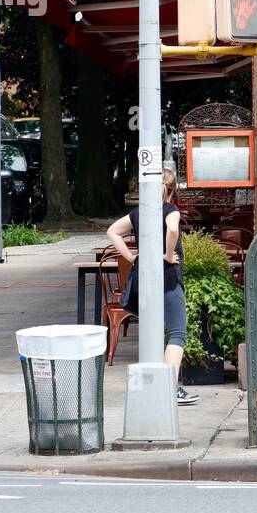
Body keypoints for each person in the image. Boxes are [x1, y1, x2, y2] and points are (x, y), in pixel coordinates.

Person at [106, 166, 198, 406]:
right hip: (167, 277)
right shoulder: (170, 210)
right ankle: (169, 388)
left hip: (142, 278)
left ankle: (156, 388)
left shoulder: (138, 213)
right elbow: (174, 230)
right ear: (172, 190)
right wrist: (167, 255)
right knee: (177, 332)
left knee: (152, 332)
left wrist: (129, 256)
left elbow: (112, 231)